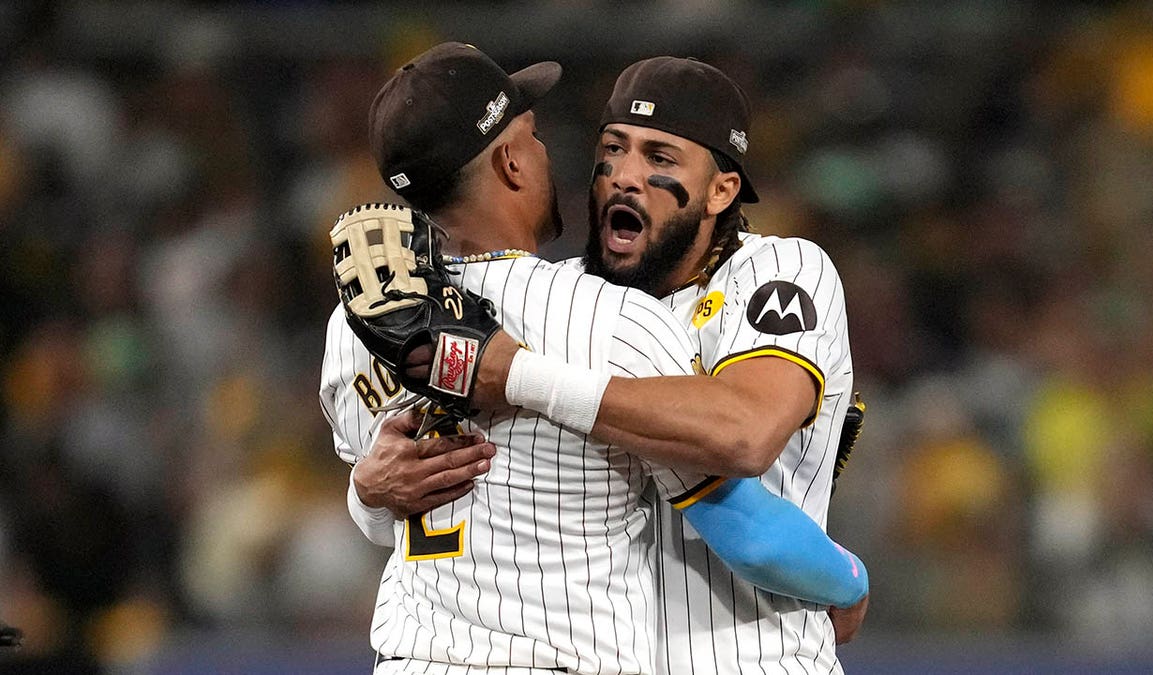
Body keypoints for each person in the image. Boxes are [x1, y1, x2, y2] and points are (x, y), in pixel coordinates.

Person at [318, 43, 867, 675]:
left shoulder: (775, 268)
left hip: (752, 658)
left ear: (722, 190)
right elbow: (432, 509)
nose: (623, 175)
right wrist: (367, 490)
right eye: (611, 150)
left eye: (659, 156)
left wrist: (514, 374)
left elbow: (742, 435)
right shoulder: (595, 311)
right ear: (511, 162)